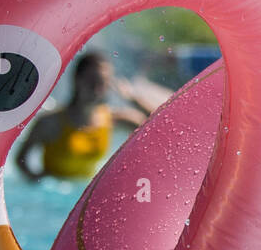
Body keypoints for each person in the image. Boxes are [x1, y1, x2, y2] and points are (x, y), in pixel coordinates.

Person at [14, 51, 155, 181]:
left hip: (83, 195)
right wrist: (37, 182)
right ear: (77, 79)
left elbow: (158, 125)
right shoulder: (50, 122)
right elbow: (21, 160)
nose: (97, 88)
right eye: (92, 80)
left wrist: (133, 99)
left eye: (103, 82)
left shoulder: (112, 118)